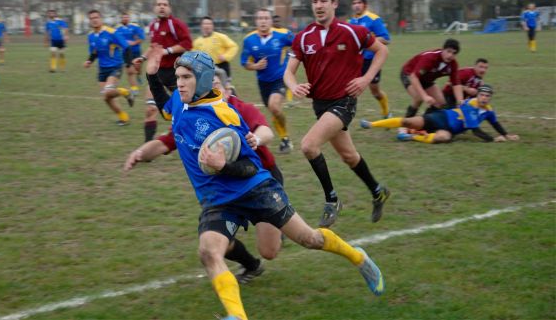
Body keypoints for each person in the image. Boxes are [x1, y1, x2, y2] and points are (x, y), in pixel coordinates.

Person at [126, 51, 384, 320]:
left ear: (202, 80)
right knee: (208, 252)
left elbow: (251, 167)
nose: (179, 83)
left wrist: (223, 165)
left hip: (256, 190)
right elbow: (166, 108)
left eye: (186, 77)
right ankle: (237, 316)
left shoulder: (224, 115)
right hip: (218, 199)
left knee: (310, 239)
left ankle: (358, 258)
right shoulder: (181, 101)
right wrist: (152, 75)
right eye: (178, 77)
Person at [125, 67, 284, 285]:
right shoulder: (193, 115)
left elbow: (267, 131)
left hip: (258, 181)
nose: (211, 89)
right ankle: (251, 265)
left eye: (217, 85)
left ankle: (281, 222)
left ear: (228, 89)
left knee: (270, 251)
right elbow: (166, 143)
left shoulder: (240, 109)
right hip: (222, 188)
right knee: (214, 241)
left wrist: (255, 139)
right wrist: (141, 153)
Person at [284, 0, 390, 227]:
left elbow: (382, 51)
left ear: (333, 4)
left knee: (309, 146)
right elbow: (288, 73)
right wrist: (293, 86)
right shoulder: (303, 37)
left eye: (323, 1)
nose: (318, 6)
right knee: (349, 156)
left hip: (344, 102)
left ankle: (332, 199)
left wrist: (366, 78)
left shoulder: (352, 31)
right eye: (315, 2)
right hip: (320, 105)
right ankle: (377, 191)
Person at [361, 85, 519, 144]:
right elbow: (476, 131)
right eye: (482, 95)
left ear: (490, 98)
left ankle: (411, 137)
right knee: (408, 122)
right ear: (477, 95)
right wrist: (493, 139)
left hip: (449, 130)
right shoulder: (470, 105)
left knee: (443, 138)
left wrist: (506, 134)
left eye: (487, 96)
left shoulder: (489, 111)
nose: (484, 98)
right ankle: (371, 124)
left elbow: (495, 123)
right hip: (440, 117)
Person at [133, 0, 192, 142]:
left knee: (187, 109)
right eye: (159, 4)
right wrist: (143, 58)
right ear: (154, 8)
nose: (161, 7)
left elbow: (187, 44)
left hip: (175, 73)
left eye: (165, 4)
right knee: (150, 109)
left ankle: (191, 137)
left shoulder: (175, 24)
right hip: (157, 73)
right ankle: (148, 146)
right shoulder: (153, 25)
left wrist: (167, 51)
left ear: (169, 8)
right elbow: (154, 47)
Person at [240, 9, 294, 154]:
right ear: (256, 21)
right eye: (260, 18)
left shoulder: (283, 35)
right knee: (274, 111)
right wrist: (255, 66)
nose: (263, 21)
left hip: (280, 78)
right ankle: (285, 138)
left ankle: (285, 138)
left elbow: (297, 45)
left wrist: (289, 61)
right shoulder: (249, 40)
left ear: (270, 21)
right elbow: (244, 62)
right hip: (263, 82)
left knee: (274, 106)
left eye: (266, 18)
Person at [84, 9, 134, 126]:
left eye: (96, 17)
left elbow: (126, 47)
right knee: (107, 98)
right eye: (92, 18)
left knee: (108, 92)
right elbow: (95, 51)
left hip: (115, 67)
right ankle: (124, 118)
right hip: (102, 70)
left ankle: (126, 92)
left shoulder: (112, 32)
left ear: (101, 19)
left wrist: (128, 64)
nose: (94, 20)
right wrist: (89, 61)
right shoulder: (91, 36)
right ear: (90, 21)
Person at [349, 0, 392, 118]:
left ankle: (386, 112)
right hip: (356, 61)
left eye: (359, 3)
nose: (356, 5)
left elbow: (386, 38)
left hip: (372, 61)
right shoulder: (351, 22)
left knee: (375, 91)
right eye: (354, 3)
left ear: (365, 5)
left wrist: (368, 41)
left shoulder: (373, 19)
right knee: (350, 88)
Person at [401, 38, 464, 118]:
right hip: (409, 74)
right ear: (443, 49)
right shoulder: (430, 58)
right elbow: (414, 77)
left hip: (426, 79)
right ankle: (407, 122)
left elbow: (456, 83)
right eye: (448, 51)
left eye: (454, 53)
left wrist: (460, 101)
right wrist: (425, 96)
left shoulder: (453, 64)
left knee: (441, 102)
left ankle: (425, 121)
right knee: (419, 98)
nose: (450, 55)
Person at [116, 13, 145, 97]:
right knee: (129, 71)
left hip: (136, 50)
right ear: (121, 19)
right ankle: (134, 88)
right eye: (123, 17)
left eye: (126, 17)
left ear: (129, 18)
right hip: (125, 52)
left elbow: (142, 38)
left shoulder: (134, 26)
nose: (125, 19)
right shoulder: (117, 29)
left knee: (138, 68)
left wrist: (133, 43)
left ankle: (139, 75)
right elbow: (115, 40)